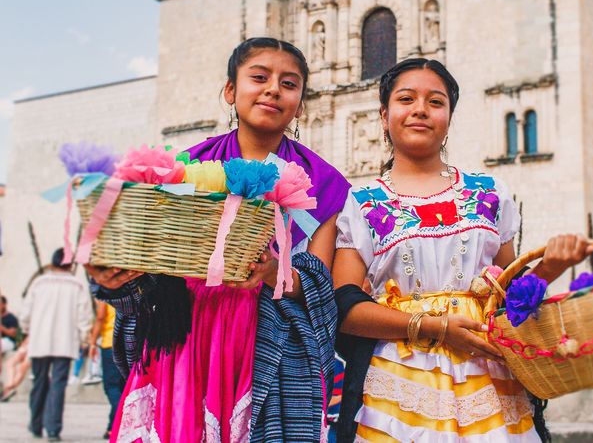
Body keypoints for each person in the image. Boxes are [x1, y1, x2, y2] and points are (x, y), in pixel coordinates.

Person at [86, 37, 350, 442]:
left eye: (289, 83)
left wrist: (272, 273)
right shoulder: (184, 170)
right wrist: (117, 276)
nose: (273, 89)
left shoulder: (324, 184)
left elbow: (320, 284)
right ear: (231, 90)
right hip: (189, 340)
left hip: (267, 349)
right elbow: (157, 263)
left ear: (301, 100)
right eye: (259, 77)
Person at [332, 58, 593, 442]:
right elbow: (347, 308)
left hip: (489, 381)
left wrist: (549, 269)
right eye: (407, 99)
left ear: (449, 117)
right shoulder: (362, 203)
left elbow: (510, 303)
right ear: (384, 114)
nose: (421, 109)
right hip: (397, 386)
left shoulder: (488, 194)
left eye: (435, 102)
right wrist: (434, 328)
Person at [20, 248, 94, 441]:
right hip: (65, 341)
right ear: (70, 264)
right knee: (58, 385)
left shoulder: (39, 283)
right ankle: (53, 429)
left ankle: (36, 424)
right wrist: (86, 336)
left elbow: (25, 314)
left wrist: (27, 330)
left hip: (40, 341)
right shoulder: (76, 285)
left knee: (39, 381)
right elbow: (83, 317)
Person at [88, 300, 125, 439]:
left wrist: (92, 342)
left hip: (110, 343)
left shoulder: (107, 288)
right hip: (130, 341)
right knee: (122, 385)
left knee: (111, 386)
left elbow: (100, 317)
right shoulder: (134, 284)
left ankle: (120, 419)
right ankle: (112, 427)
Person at [1, 337, 31, 402]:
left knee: (23, 366)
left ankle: (9, 388)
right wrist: (24, 347)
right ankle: (10, 387)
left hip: (38, 349)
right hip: (28, 345)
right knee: (10, 363)